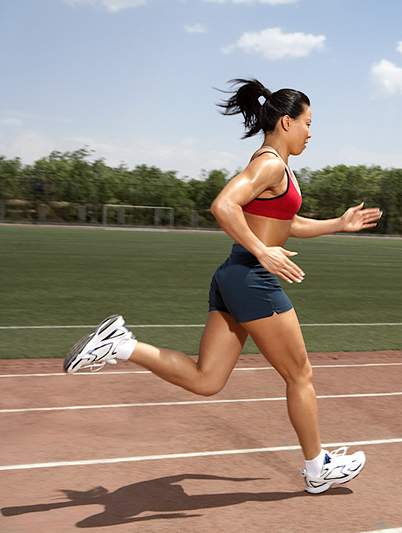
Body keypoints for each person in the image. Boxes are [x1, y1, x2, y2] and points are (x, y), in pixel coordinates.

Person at [63, 78, 382, 494]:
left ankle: (122, 345)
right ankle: (317, 467)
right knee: (300, 374)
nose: (311, 132)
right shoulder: (268, 163)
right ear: (286, 122)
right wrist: (263, 252)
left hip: (235, 275)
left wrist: (337, 224)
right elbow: (223, 205)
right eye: (308, 122)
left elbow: (286, 226)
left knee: (206, 380)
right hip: (253, 277)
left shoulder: (278, 167)